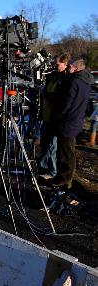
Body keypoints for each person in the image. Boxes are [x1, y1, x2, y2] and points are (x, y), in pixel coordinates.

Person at [51, 59, 93, 189]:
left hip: (67, 121)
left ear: (76, 68)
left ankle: (65, 180)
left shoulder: (74, 81)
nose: (68, 67)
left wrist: (57, 115)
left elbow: (67, 102)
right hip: (76, 119)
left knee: (66, 153)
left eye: (70, 66)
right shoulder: (86, 82)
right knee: (68, 151)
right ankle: (65, 178)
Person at [38, 54, 70, 180]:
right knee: (45, 144)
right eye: (54, 64)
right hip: (46, 115)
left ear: (64, 64)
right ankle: (44, 168)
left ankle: (52, 171)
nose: (54, 66)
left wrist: (46, 94)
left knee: (52, 145)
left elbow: (60, 97)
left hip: (55, 117)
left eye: (57, 64)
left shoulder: (65, 79)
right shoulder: (53, 77)